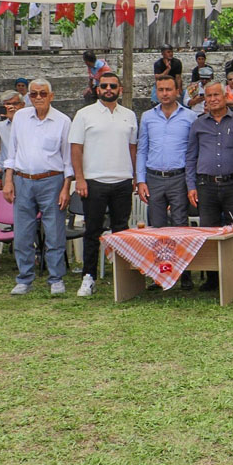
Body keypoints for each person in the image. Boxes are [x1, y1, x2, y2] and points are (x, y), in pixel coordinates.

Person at [69, 72, 138, 297]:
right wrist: (80, 179)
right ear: (98, 89)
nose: (108, 89)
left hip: (122, 181)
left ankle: (122, 276)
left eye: (113, 86)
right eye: (104, 85)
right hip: (94, 181)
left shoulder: (129, 115)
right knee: (93, 231)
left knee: (121, 230)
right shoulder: (84, 114)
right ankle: (88, 278)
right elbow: (76, 148)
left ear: (121, 88)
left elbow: (132, 149)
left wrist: (135, 176)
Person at [2, 79, 73, 295]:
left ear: (51, 96)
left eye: (43, 93)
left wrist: (65, 187)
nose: (38, 98)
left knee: (54, 232)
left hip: (52, 180)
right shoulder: (21, 118)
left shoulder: (62, 120)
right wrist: (8, 180)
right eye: (33, 94)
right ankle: (24, 279)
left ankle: (56, 278)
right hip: (22, 180)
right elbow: (12, 152)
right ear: (28, 97)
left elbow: (68, 159)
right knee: (23, 233)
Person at [186, 81, 233, 291]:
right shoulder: (198, 124)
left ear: (225, 96)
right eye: (208, 96)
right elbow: (191, 156)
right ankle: (212, 279)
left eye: (216, 95)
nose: (212, 99)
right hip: (206, 185)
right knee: (209, 231)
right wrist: (191, 185)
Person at [136, 76, 195, 288]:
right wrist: (140, 180)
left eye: (168, 89)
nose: (165, 93)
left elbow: (191, 151)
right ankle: (159, 275)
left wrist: (190, 183)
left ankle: (184, 274)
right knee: (157, 228)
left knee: (180, 225)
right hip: (153, 177)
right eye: (160, 89)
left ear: (177, 91)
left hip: (178, 177)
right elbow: (142, 149)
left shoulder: (189, 116)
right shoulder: (147, 117)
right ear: (156, 92)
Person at [0, 91, 26, 179]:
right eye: (8, 104)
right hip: (9, 172)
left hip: (29, 171)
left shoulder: (32, 123)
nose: (12, 107)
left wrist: (15, 118)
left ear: (23, 105)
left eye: (15, 104)